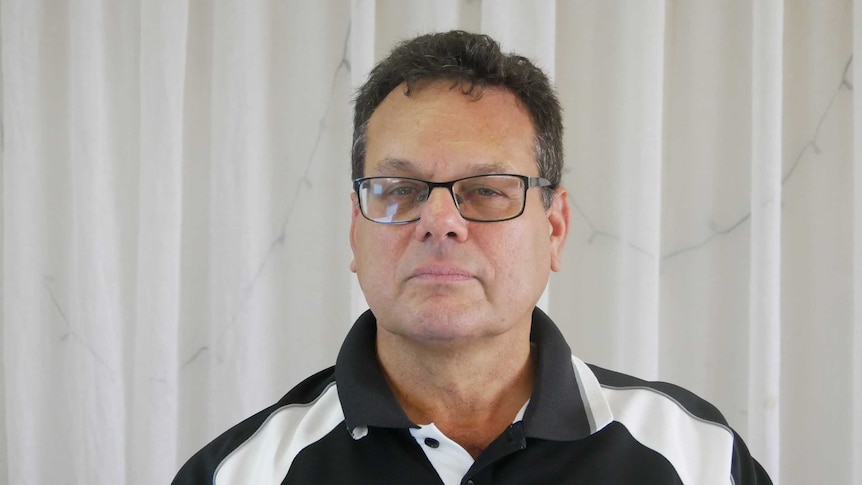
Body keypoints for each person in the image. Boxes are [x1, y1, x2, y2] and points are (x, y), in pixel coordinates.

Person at [172, 30, 772, 484]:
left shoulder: (700, 460)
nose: (440, 223)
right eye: (400, 190)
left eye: (486, 190)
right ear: (356, 229)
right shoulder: (240, 473)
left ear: (555, 227)